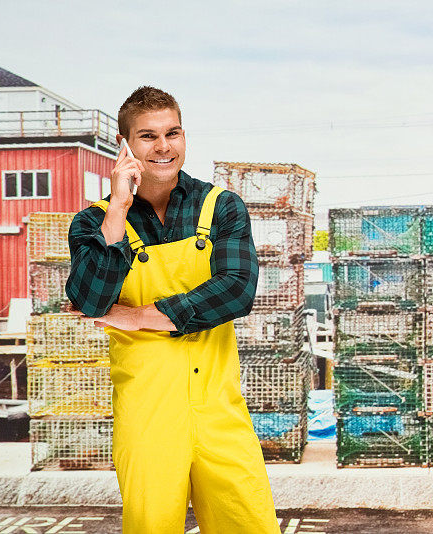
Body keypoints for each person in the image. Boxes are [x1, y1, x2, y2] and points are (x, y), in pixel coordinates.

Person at [66, 86, 280, 533]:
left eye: (173, 133)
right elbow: (89, 299)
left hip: (218, 408)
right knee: (150, 525)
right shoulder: (95, 221)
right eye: (147, 136)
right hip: (147, 413)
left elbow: (237, 290)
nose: (163, 147)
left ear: (184, 136)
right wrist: (119, 208)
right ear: (125, 146)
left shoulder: (221, 206)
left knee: (249, 522)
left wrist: (137, 316)